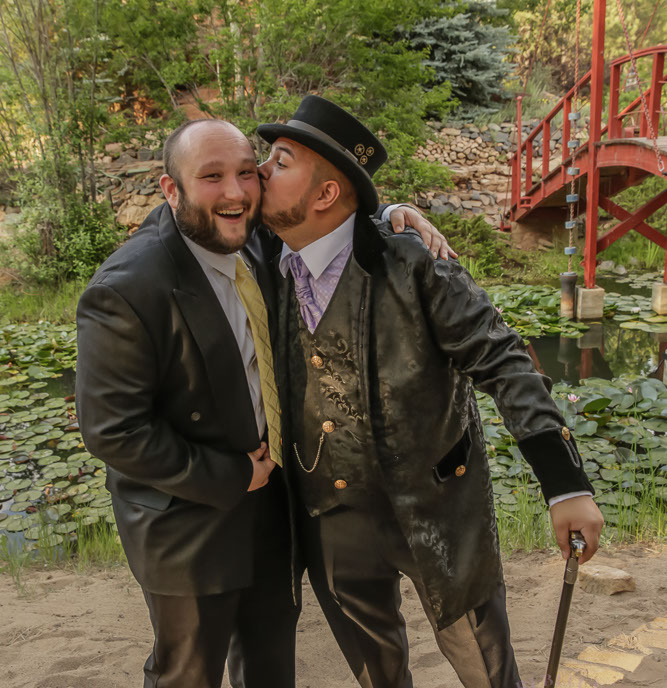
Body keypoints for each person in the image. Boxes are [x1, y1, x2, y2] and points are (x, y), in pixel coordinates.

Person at [75, 117, 448, 688]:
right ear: (171, 189)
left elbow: (323, 215)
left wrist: (390, 213)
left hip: (273, 512)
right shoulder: (126, 289)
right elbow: (112, 431)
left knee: (270, 668)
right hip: (187, 526)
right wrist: (230, 476)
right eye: (212, 177)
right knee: (186, 675)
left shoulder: (255, 237)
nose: (236, 192)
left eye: (247, 173)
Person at [256, 95, 605, 688]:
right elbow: (194, 209)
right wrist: (390, 205)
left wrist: (564, 482)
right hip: (331, 519)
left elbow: (504, 360)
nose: (260, 170)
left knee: (484, 667)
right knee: (377, 675)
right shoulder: (263, 258)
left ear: (325, 194)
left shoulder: (415, 264)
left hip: (435, 508)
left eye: (280, 160)